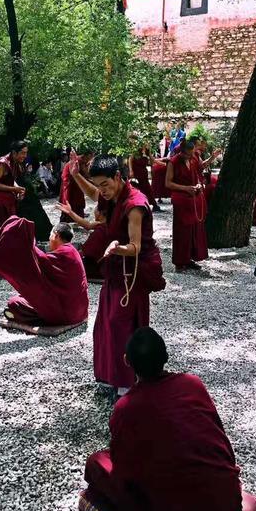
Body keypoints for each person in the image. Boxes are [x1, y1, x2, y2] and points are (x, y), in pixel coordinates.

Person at [84, 327, 243, 511]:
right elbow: (220, 441)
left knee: (97, 463)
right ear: (166, 356)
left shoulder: (126, 408)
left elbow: (125, 472)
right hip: (226, 498)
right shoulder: (192, 384)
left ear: (127, 362)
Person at [85, 155, 164, 395]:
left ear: (118, 177)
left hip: (133, 273)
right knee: (104, 324)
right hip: (115, 271)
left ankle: (127, 383)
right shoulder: (112, 197)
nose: (102, 191)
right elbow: (92, 194)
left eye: (105, 185)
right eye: (98, 185)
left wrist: (116, 248)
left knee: (121, 324)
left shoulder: (134, 204)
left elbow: (136, 246)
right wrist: (76, 174)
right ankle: (109, 375)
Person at [0, 219, 89, 329]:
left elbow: (39, 259)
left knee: (14, 303)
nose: (49, 239)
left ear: (56, 235)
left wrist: (26, 240)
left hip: (66, 315)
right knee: (26, 297)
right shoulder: (72, 251)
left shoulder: (64, 253)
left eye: (50, 235)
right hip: (80, 311)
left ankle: (21, 316)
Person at [166, 139, 208, 271]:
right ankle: (179, 261)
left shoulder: (194, 158)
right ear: (181, 152)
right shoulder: (173, 162)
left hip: (193, 198)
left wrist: (199, 185)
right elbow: (168, 183)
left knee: (194, 230)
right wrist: (185, 188)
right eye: (188, 155)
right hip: (181, 198)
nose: (190, 157)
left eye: (192, 154)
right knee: (182, 231)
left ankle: (189, 258)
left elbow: (198, 175)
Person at [56, 201, 108, 280]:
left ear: (100, 213)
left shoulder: (101, 230)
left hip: (98, 268)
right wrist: (70, 212)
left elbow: (87, 253)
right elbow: (87, 225)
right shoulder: (106, 223)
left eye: (96, 208)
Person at [59, 151, 94, 222]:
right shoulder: (79, 161)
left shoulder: (85, 161)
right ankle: (68, 217)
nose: (92, 158)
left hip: (76, 182)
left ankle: (78, 215)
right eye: (91, 156)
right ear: (88, 155)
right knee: (69, 198)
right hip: (70, 181)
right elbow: (86, 174)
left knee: (78, 198)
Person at [129, 144, 160, 212]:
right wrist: (131, 170)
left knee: (147, 189)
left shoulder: (147, 151)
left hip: (143, 173)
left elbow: (153, 159)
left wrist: (162, 163)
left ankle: (153, 204)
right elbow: (130, 159)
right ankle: (140, 204)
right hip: (136, 173)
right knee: (138, 188)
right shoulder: (136, 150)